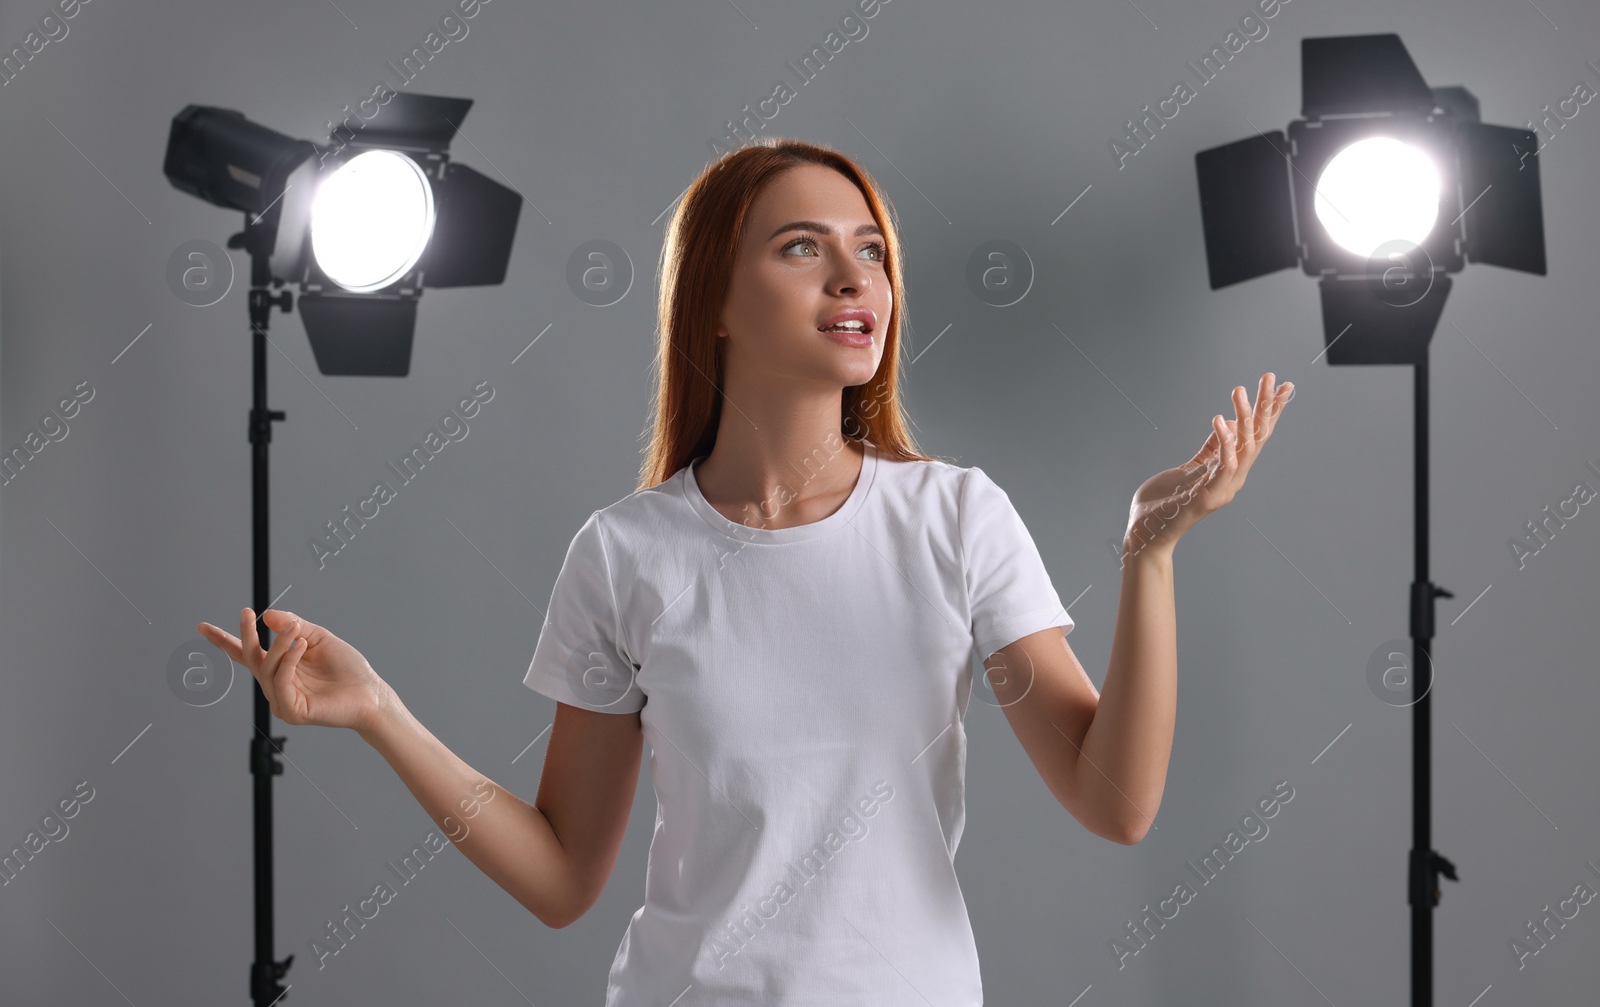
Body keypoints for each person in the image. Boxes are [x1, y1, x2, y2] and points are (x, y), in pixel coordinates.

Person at [197, 138, 1293, 1005]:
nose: (854, 275)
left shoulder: (955, 518)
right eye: (802, 247)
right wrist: (380, 710)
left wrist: (1146, 558)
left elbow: (1114, 801)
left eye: (869, 249)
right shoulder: (625, 552)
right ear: (714, 301)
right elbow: (563, 874)